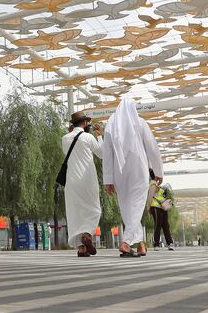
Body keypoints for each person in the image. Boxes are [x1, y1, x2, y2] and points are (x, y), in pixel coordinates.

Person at [103, 98, 163, 258]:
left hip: (119, 171)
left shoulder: (111, 124)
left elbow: (107, 153)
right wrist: (158, 171)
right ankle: (126, 242)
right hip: (138, 169)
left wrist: (108, 179)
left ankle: (141, 245)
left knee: (128, 207)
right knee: (136, 205)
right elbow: (152, 146)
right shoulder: (140, 122)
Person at [60, 111, 103, 257]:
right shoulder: (88, 137)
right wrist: (99, 136)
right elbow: (102, 154)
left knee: (75, 213)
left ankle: (81, 248)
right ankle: (87, 233)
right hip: (87, 179)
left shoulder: (65, 138)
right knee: (94, 209)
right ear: (85, 123)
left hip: (71, 181)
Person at [150, 182, 174, 250]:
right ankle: (158, 244)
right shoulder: (154, 185)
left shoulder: (157, 186)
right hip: (157, 206)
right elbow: (150, 197)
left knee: (164, 225)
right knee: (160, 225)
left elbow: (150, 197)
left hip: (161, 207)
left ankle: (168, 243)